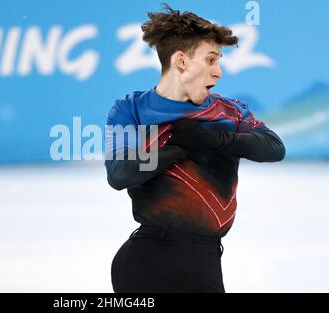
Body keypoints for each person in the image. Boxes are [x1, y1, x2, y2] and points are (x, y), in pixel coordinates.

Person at [105, 4, 286, 293]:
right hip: (145, 262)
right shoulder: (131, 110)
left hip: (205, 262)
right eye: (211, 60)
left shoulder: (229, 112)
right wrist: (177, 148)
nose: (219, 72)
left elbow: (274, 148)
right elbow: (120, 172)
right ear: (181, 62)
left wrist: (211, 140)